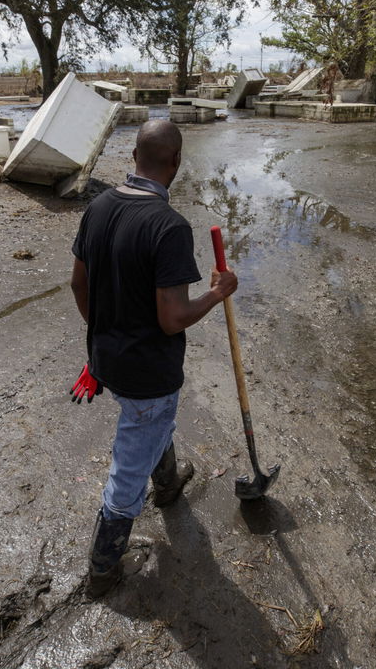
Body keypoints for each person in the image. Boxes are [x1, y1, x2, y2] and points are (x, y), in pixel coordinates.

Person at [69, 119, 238, 598]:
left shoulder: (99, 205)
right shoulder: (168, 226)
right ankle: (103, 567)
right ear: (176, 163)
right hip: (147, 373)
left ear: (135, 155)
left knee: (152, 422)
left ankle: (167, 485)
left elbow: (79, 285)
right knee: (130, 465)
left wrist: (104, 334)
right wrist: (217, 292)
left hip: (105, 360)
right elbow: (172, 318)